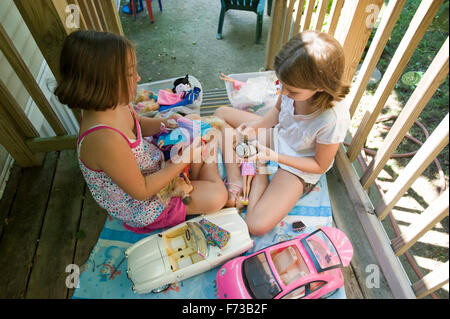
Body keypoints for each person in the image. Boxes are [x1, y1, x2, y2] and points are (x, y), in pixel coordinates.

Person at [55, 30, 227, 233]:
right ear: (100, 82)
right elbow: (142, 190)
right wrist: (183, 160)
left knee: (194, 122)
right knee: (218, 196)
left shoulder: (113, 102)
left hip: (153, 164)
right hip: (146, 204)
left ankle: (193, 178)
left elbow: (137, 124)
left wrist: (164, 123)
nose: (138, 77)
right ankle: (207, 181)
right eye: (129, 73)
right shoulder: (104, 140)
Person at [215, 31, 351, 236]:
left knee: (256, 225)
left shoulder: (332, 119)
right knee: (220, 115)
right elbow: (278, 111)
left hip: (298, 165)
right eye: (281, 85)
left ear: (321, 87)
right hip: (280, 136)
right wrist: (257, 126)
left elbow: (319, 165)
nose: (284, 93)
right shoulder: (290, 86)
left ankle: (258, 166)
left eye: (292, 91)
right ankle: (244, 168)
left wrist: (272, 157)